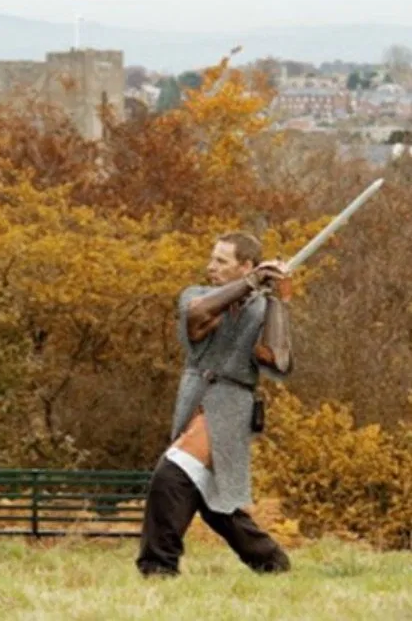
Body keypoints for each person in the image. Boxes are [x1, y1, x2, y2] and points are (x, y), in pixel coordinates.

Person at [136, 231, 294, 576]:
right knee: (213, 499)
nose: (211, 266)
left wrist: (278, 301)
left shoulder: (262, 310)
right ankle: (272, 563)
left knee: (173, 473)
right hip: (192, 397)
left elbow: (276, 360)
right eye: (212, 259)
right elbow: (198, 316)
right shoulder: (196, 295)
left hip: (230, 404)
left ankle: (158, 568)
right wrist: (250, 283)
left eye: (222, 261)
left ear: (245, 265)